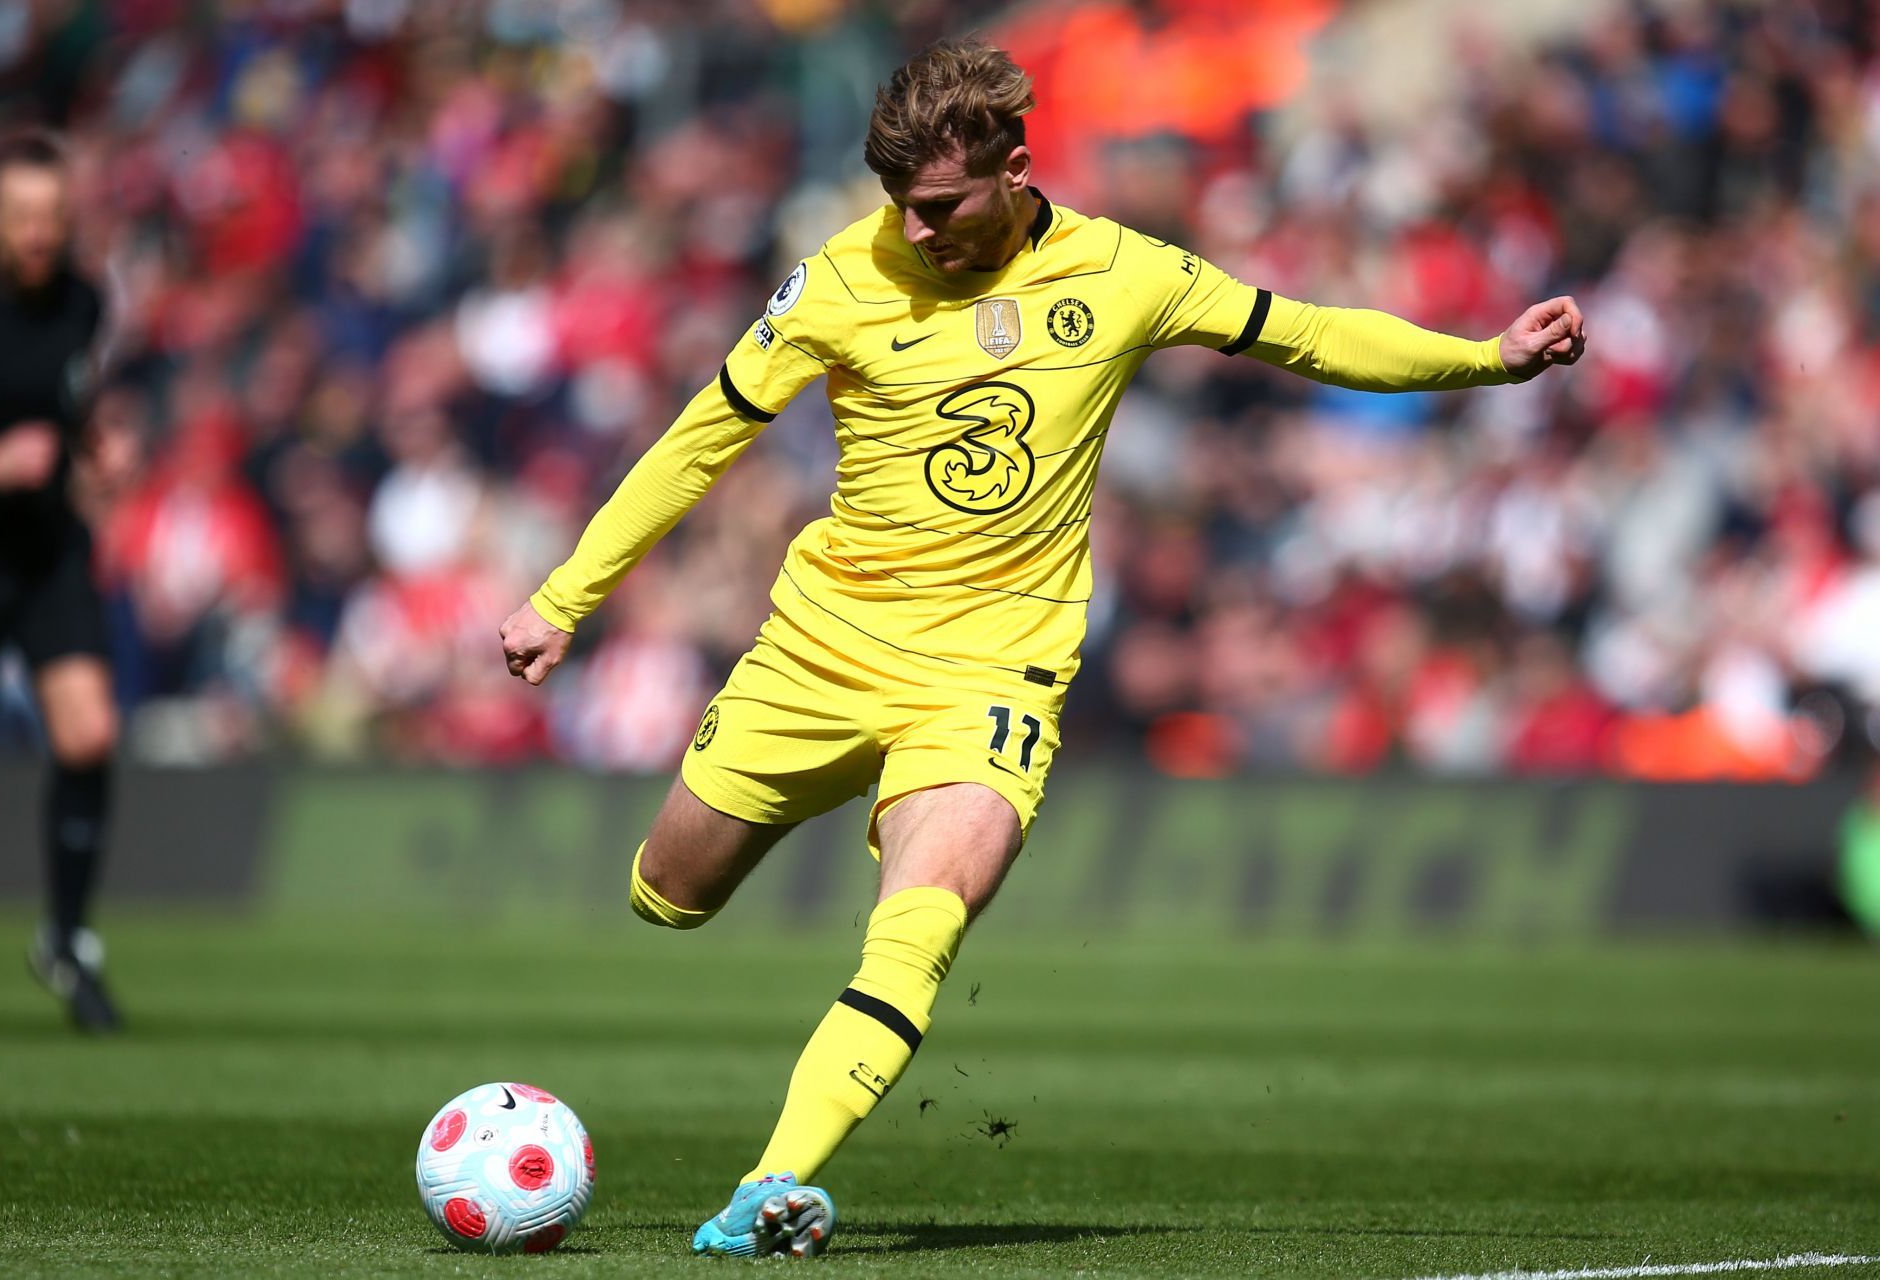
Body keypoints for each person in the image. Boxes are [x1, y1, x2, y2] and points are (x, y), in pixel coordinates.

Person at [500, 37, 1585, 1258]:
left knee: (922, 917)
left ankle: (770, 1187)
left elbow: (1310, 333)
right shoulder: (840, 279)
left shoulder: (1121, 273)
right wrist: (563, 597)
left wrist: (1488, 359)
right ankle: (820, 812)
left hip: (990, 677)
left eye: (938, 207)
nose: (912, 233)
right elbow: (703, 436)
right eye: (896, 208)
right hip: (824, 649)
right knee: (670, 892)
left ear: (1016, 171)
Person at [0, 131, 122, 1032]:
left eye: (53, 217)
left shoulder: (84, 303)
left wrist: (103, 446)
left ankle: (66, 939)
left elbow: (78, 403)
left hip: (48, 548)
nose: (38, 233)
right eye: (23, 216)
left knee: (91, 733)